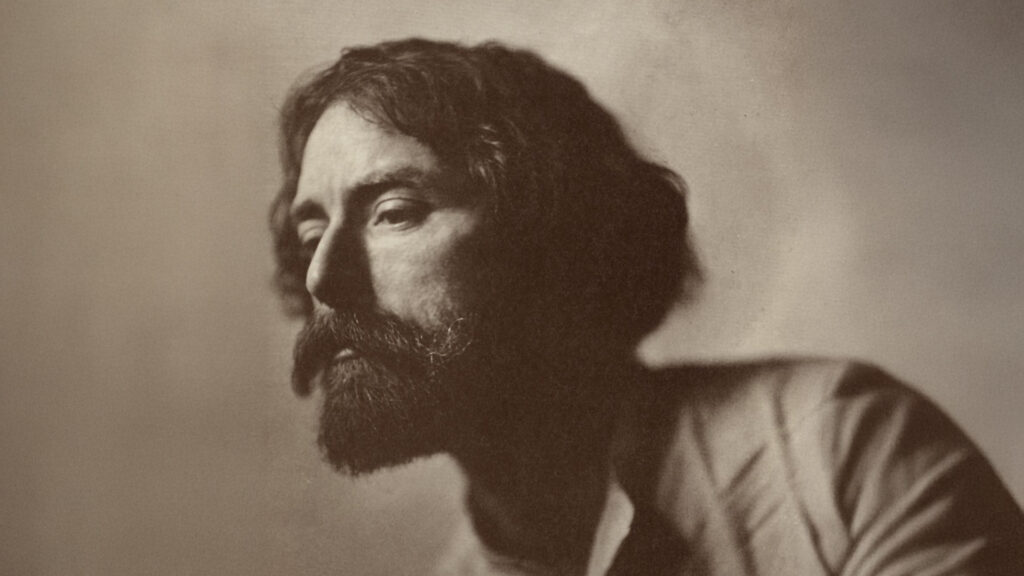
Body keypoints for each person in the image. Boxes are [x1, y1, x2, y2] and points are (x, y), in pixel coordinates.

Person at [269, 38, 1024, 575]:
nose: (324, 280)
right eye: (309, 236)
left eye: (395, 212)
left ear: (555, 241)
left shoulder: (842, 452)